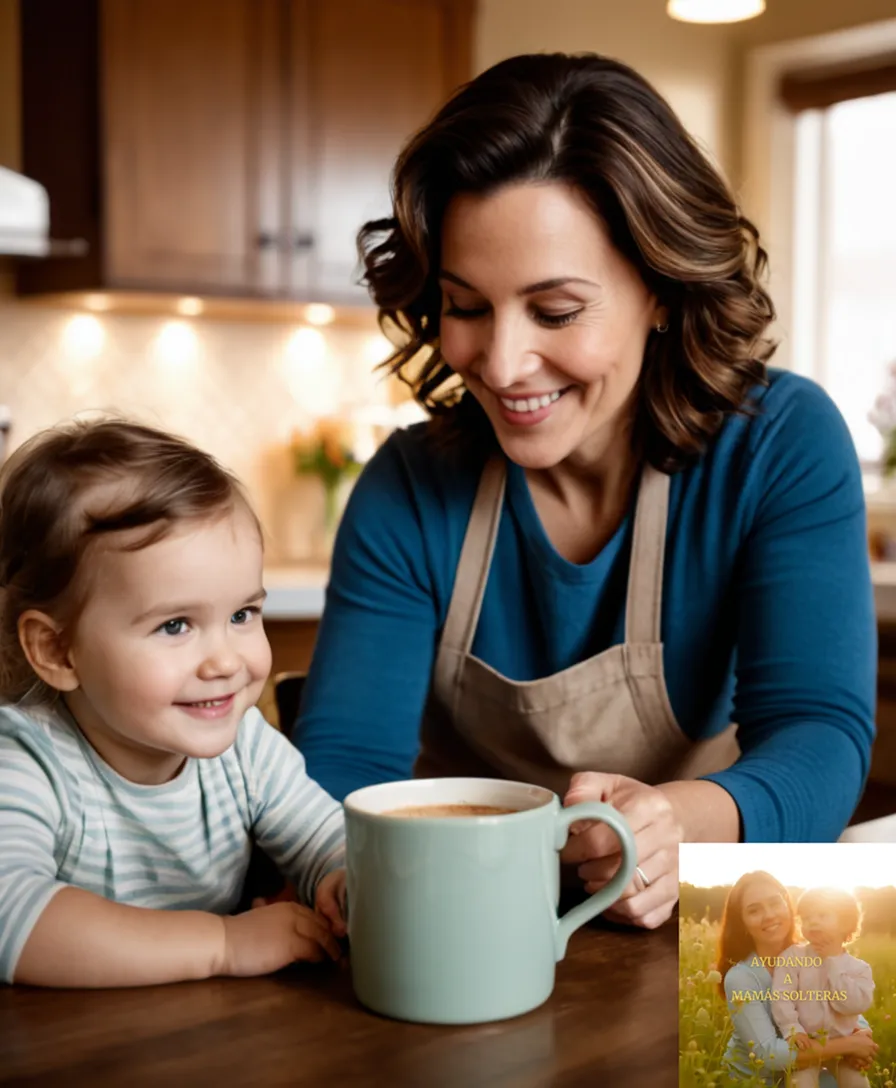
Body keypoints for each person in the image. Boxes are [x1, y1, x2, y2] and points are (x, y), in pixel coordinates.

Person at [296, 52, 876, 930]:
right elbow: (342, 765)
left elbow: (819, 733)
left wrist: (679, 825)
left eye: (556, 311)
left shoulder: (777, 446)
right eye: (466, 305)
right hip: (460, 930)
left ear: (660, 289)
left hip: (702, 933)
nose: (500, 363)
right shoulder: (410, 488)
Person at [0, 419, 346, 988]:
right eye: (176, 625)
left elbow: (325, 840)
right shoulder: (27, 760)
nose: (226, 662)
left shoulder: (248, 750)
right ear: (58, 650)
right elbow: (13, 914)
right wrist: (222, 943)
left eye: (242, 615)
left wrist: (343, 879)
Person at [718, 872, 877, 1085]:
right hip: (757, 1080)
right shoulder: (741, 978)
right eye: (754, 910)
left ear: (788, 906)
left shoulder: (814, 953)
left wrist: (862, 1033)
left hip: (809, 1064)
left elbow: (839, 1003)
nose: (769, 915)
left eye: (775, 903)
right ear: (743, 923)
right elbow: (768, 1055)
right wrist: (849, 1045)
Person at [771, 887, 874, 1087]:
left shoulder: (859, 969)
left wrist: (833, 962)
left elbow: (853, 1005)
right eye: (807, 918)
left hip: (844, 1049)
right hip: (807, 1044)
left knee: (858, 1083)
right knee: (800, 1083)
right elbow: (781, 997)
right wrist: (792, 1029)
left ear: (845, 923)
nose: (813, 922)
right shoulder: (792, 957)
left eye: (822, 915)